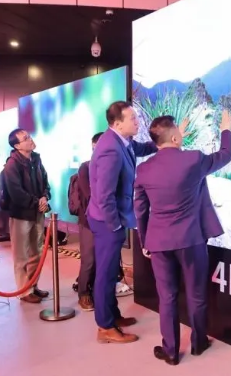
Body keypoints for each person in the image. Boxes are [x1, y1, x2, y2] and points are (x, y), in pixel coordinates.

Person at [134, 110, 231, 365]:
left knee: (167, 298)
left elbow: (141, 210)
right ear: (175, 138)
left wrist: (145, 241)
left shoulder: (144, 169)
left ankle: (170, 351)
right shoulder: (193, 160)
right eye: (178, 131)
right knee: (196, 294)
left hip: (159, 242)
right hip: (191, 239)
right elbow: (226, 154)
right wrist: (225, 129)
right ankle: (199, 343)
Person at [87, 101, 158, 344]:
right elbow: (104, 195)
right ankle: (105, 327)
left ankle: (113, 316)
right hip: (107, 222)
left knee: (110, 272)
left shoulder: (122, 141)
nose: (138, 122)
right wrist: (115, 226)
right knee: (106, 274)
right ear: (117, 124)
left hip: (111, 219)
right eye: (133, 118)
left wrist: (165, 139)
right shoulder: (110, 149)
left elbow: (141, 148)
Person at [2, 128, 51, 303]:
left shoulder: (36, 159)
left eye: (29, 136)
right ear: (17, 146)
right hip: (21, 214)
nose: (30, 139)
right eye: (25, 138)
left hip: (37, 212)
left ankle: (33, 286)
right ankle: (24, 291)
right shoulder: (12, 165)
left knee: (37, 252)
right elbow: (16, 193)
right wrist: (37, 202)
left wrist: (45, 197)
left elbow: (45, 182)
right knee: (21, 255)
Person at [75, 132, 103, 311]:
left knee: (104, 259)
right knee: (89, 259)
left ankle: (99, 291)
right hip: (89, 220)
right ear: (94, 146)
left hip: (108, 221)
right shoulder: (86, 168)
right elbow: (90, 195)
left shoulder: (113, 166)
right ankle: (83, 293)